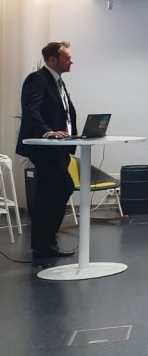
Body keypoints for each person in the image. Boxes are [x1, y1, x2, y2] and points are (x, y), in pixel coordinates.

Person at [16, 41, 78, 264]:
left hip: (58, 147)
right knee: (62, 186)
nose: (71, 61)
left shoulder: (58, 82)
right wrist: (48, 132)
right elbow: (30, 110)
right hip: (44, 147)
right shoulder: (37, 79)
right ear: (53, 60)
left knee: (50, 192)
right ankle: (44, 243)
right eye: (67, 57)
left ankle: (45, 244)